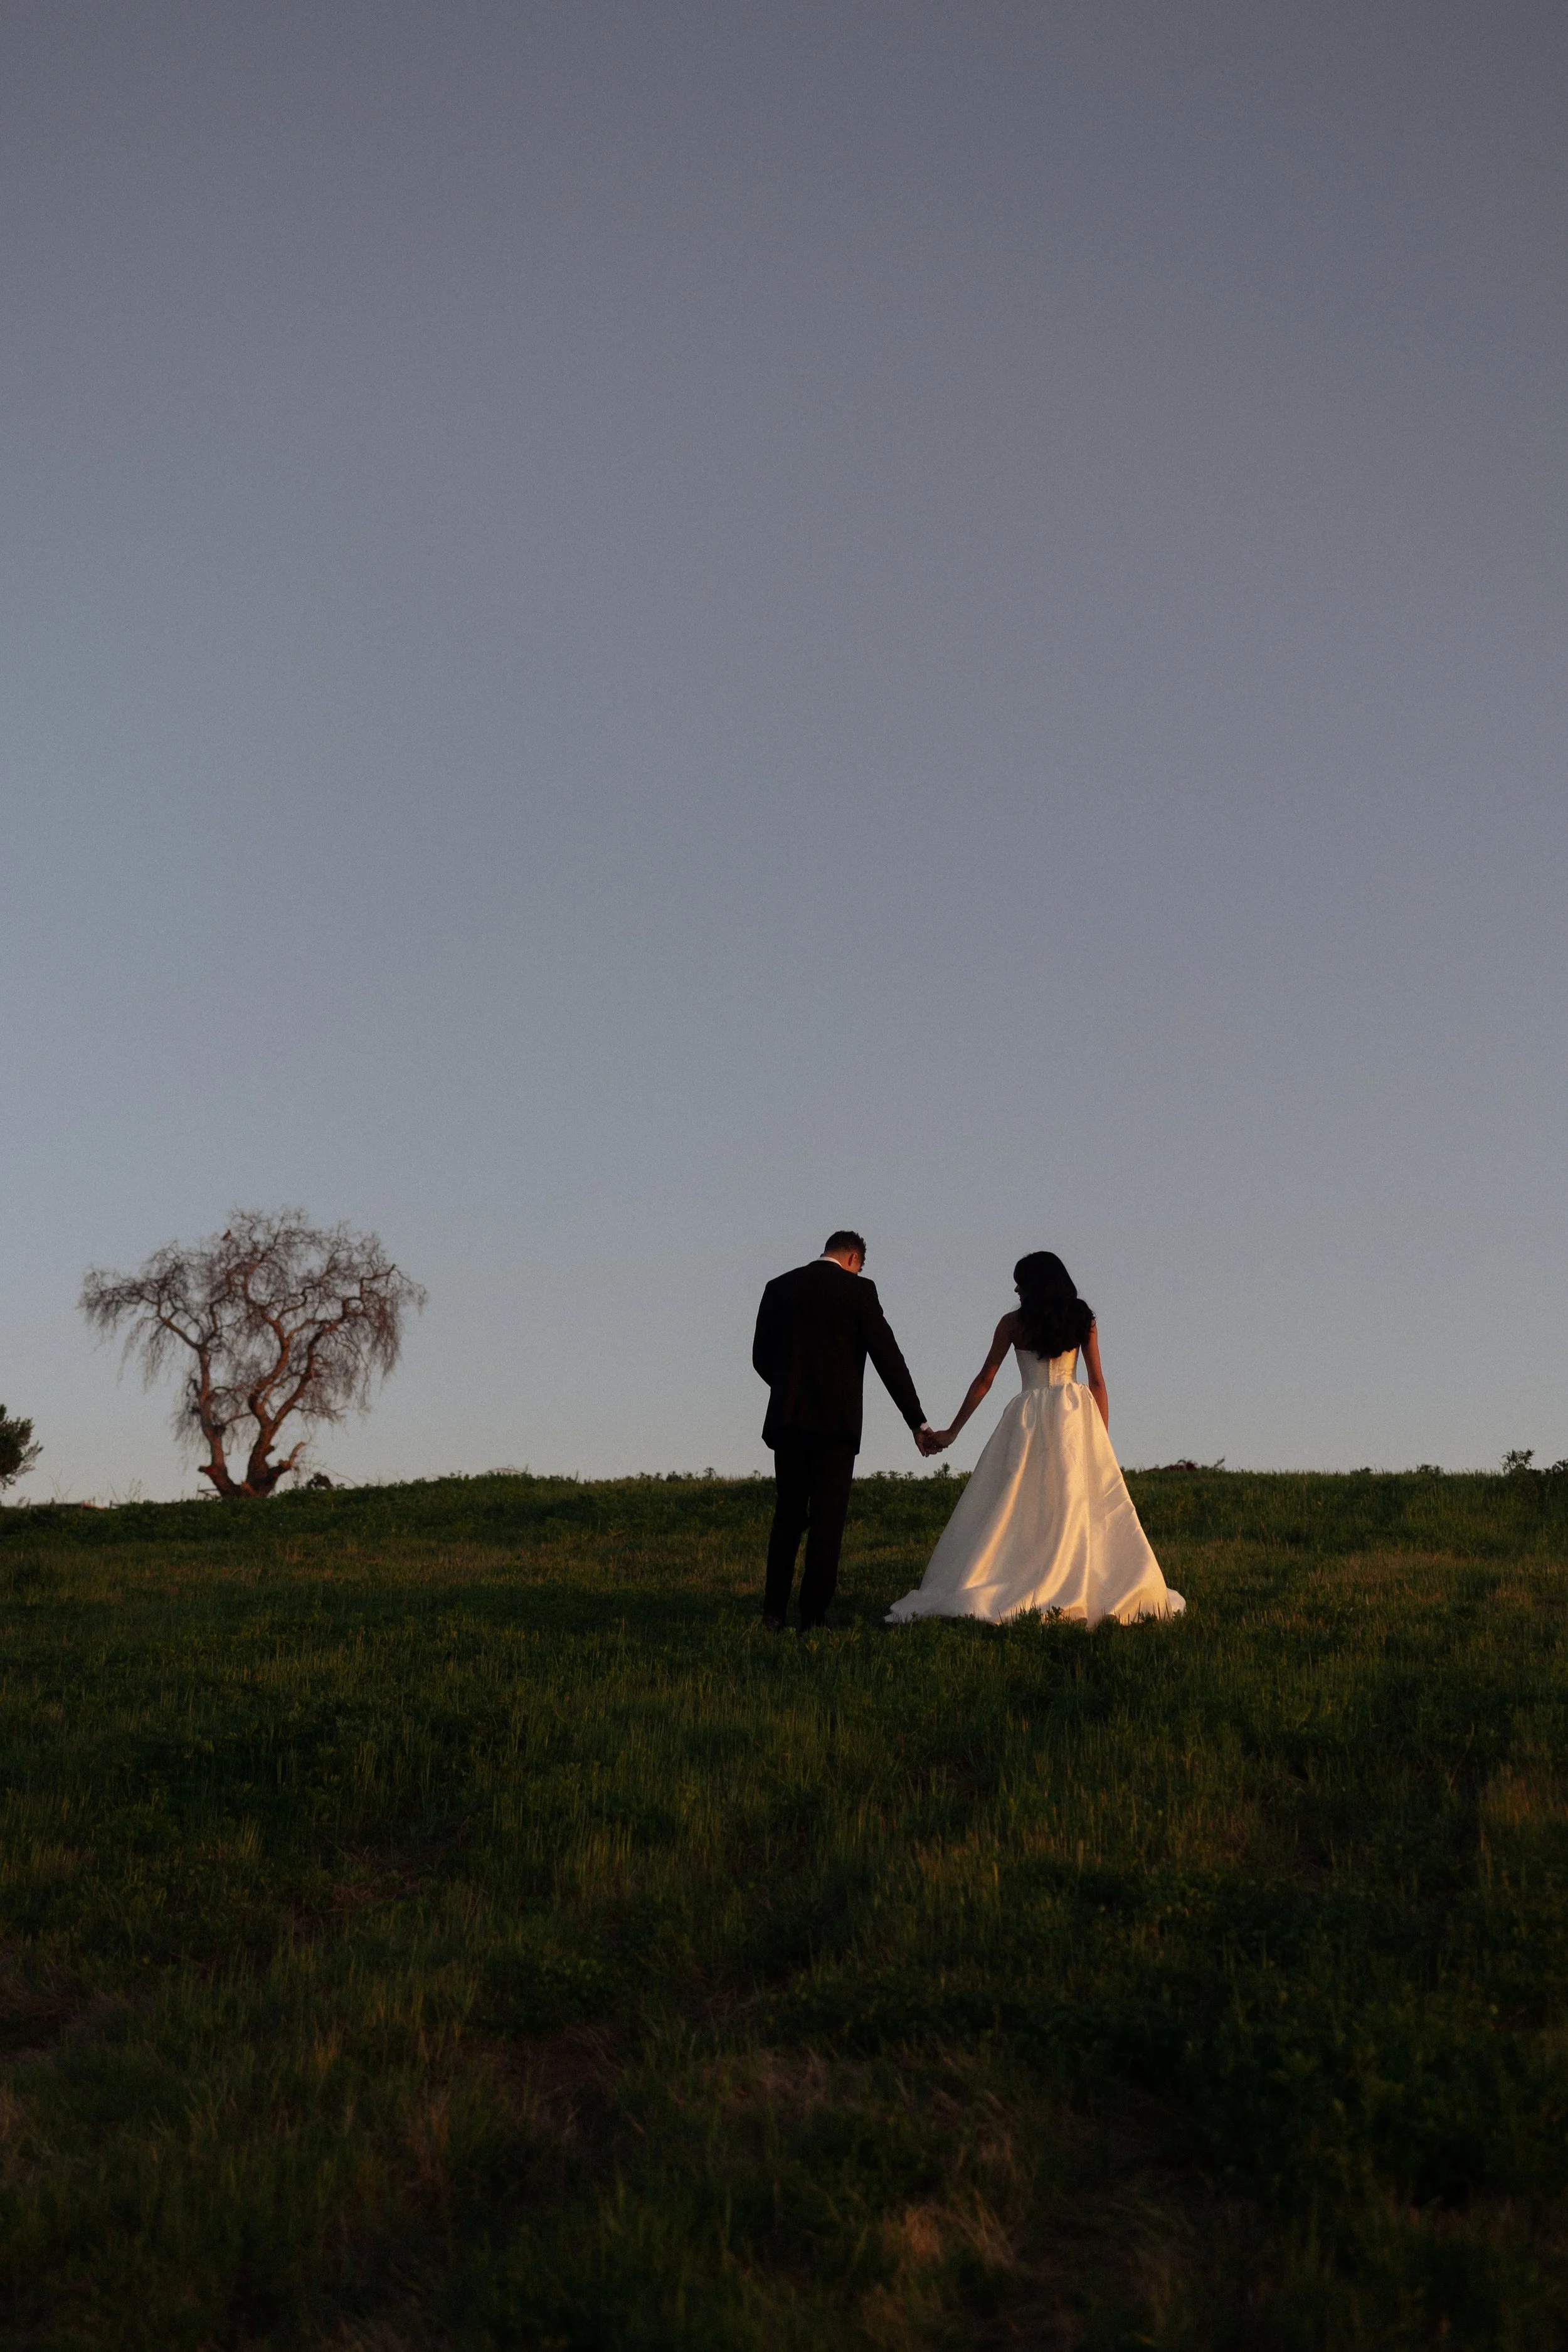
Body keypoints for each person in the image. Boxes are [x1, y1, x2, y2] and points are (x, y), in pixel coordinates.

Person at [887, 1251, 1183, 1628]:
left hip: (1028, 1415)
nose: (1015, 1288)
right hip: (1073, 1414)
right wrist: (1100, 1438)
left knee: (1018, 1498)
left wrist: (953, 1431)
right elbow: (1096, 1382)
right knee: (1072, 1499)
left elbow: (985, 1380)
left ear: (1036, 1284)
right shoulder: (1081, 1318)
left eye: (1021, 1282)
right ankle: (1072, 1581)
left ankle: (1025, 1576)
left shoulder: (1012, 1324)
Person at [753, 1230, 935, 1631]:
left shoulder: (778, 1287)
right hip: (836, 1424)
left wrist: (790, 1389)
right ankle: (813, 1617)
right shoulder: (859, 1291)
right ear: (854, 1258)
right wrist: (916, 1421)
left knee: (787, 1515)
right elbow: (888, 1357)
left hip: (789, 1420)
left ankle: (773, 1613)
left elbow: (760, 1356)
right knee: (827, 1520)